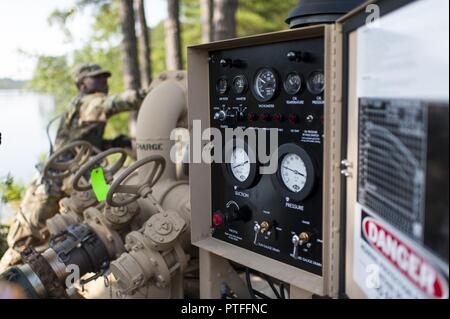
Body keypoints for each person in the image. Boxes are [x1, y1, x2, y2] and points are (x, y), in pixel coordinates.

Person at [0, 63, 147, 271]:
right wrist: (153, 93)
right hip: (56, 180)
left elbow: (90, 144)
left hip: (87, 175)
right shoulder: (89, 102)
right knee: (23, 241)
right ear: (82, 85)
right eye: (96, 78)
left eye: (105, 77)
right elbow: (118, 102)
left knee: (110, 220)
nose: (103, 81)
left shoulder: (88, 107)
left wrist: (122, 143)